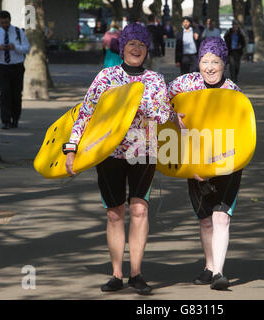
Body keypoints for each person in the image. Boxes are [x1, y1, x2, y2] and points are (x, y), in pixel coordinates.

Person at [65, 23, 182, 295]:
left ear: (147, 49)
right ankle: (117, 273)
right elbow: (85, 114)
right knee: (115, 213)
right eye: (132, 44)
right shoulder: (106, 77)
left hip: (144, 149)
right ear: (122, 47)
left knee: (140, 209)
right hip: (109, 151)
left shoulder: (154, 79)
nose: (137, 48)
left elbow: (164, 114)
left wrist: (169, 116)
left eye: (142, 44)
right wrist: (71, 149)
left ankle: (137, 274)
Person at [168, 37, 243, 291]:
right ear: (198, 62)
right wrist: (171, 114)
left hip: (227, 160)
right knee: (205, 219)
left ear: (224, 63)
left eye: (215, 61)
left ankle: (220, 273)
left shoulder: (233, 92)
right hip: (194, 158)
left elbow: (244, 131)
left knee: (221, 217)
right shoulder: (185, 83)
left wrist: (221, 164)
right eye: (204, 61)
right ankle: (209, 266)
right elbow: (157, 101)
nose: (209, 67)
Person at [0, 10, 30, 130]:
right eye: (2, 23)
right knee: (5, 93)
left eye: (6, 22)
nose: (5, 25)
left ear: (10, 20)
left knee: (16, 94)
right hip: (2, 66)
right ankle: (5, 121)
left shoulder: (18, 32)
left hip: (17, 66)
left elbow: (27, 48)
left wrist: (15, 47)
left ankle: (15, 119)